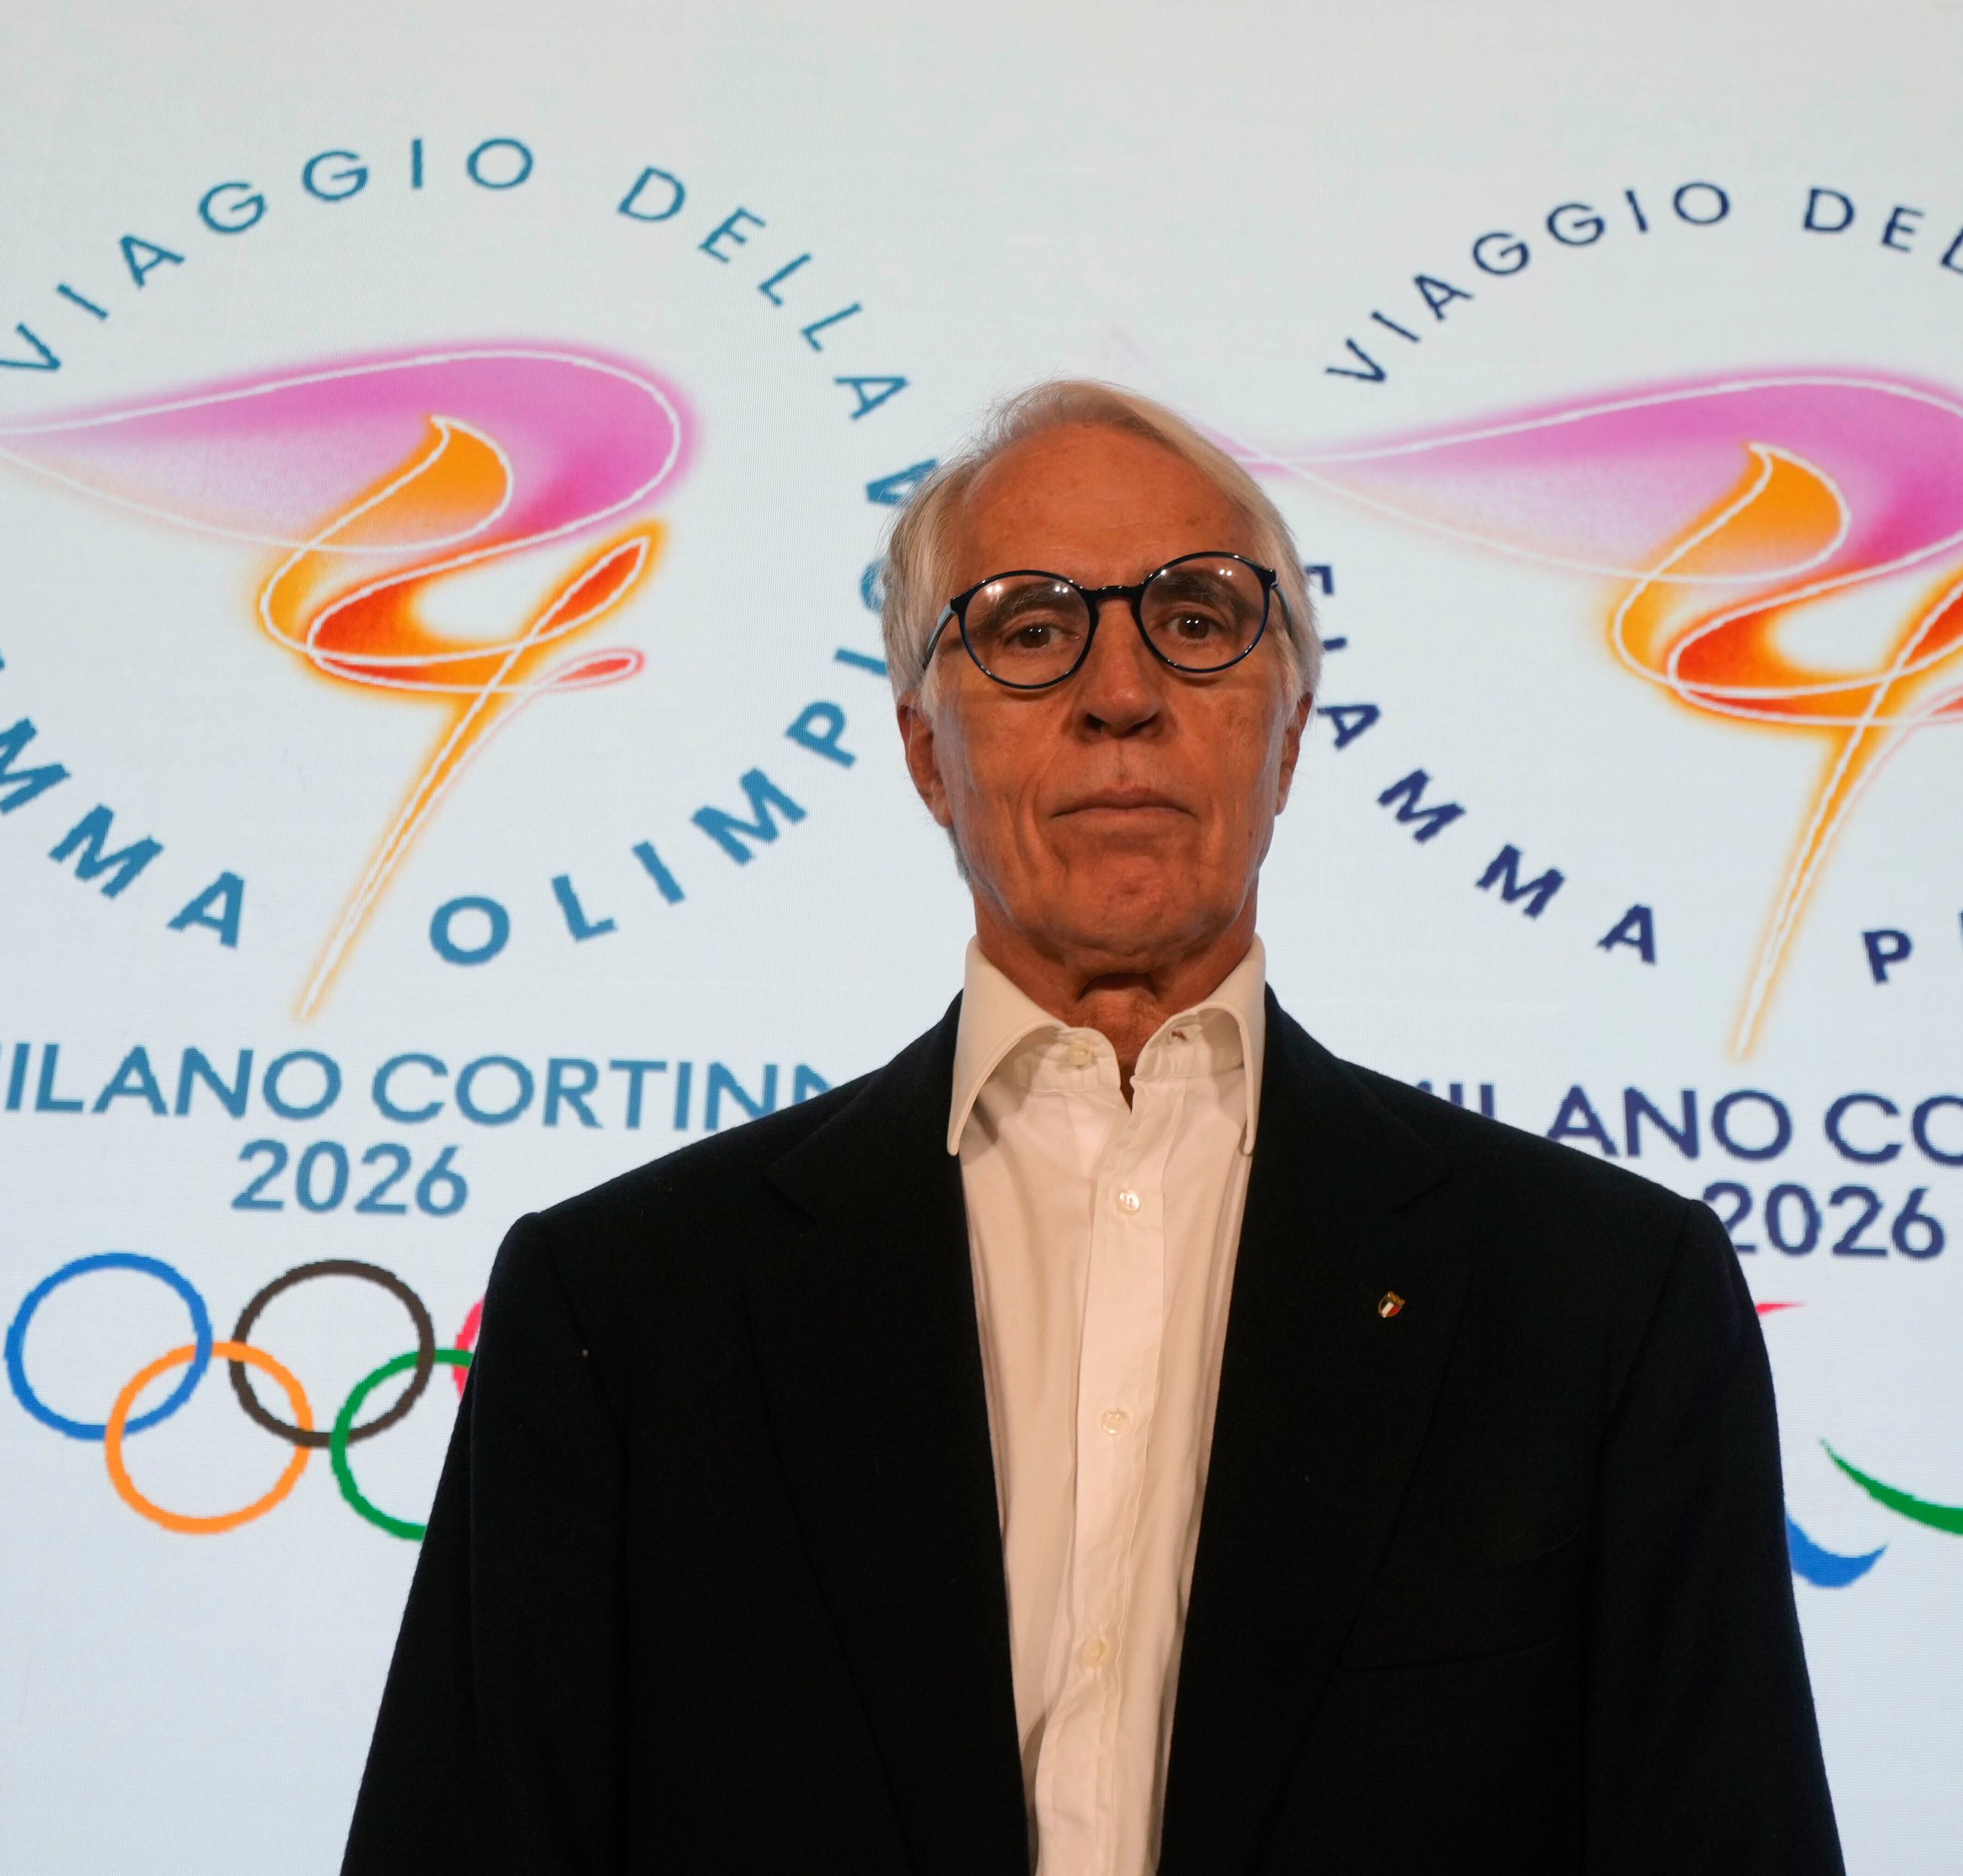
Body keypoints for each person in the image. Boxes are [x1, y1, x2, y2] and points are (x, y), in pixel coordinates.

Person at [341, 381, 1842, 1874]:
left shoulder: (1601, 1298)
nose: (1122, 690)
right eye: (1030, 624)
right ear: (926, 750)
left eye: (1196, 616)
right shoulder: (625, 1305)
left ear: (1293, 729)